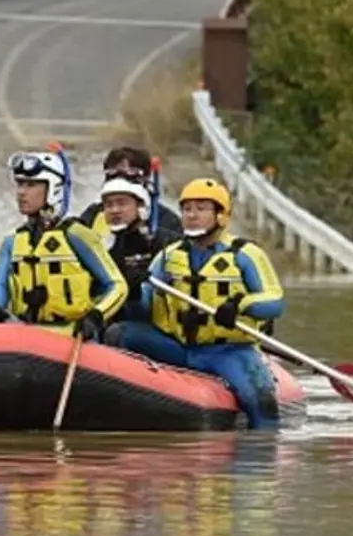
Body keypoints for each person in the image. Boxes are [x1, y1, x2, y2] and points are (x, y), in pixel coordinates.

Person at [110, 178, 285, 429]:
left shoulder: (245, 254)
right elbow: (146, 306)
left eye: (201, 209)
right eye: (187, 209)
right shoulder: (170, 256)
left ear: (221, 215)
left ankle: (261, 452)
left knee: (260, 401)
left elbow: (274, 301)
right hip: (178, 347)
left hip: (227, 352)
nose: (192, 216)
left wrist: (241, 305)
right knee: (120, 334)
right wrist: (135, 291)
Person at [0, 149, 129, 340]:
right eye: (20, 184)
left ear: (53, 189)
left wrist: (95, 317)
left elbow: (117, 285)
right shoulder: (12, 241)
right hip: (25, 333)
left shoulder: (76, 235)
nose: (21, 192)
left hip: (71, 334)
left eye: (31, 185)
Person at [79, 176, 180, 325]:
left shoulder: (166, 241)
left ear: (140, 207)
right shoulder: (100, 245)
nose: (114, 210)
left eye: (122, 203)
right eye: (109, 205)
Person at [103, 146, 181, 233]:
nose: (115, 210)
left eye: (130, 171)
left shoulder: (167, 221)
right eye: (113, 173)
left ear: (145, 177)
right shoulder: (93, 214)